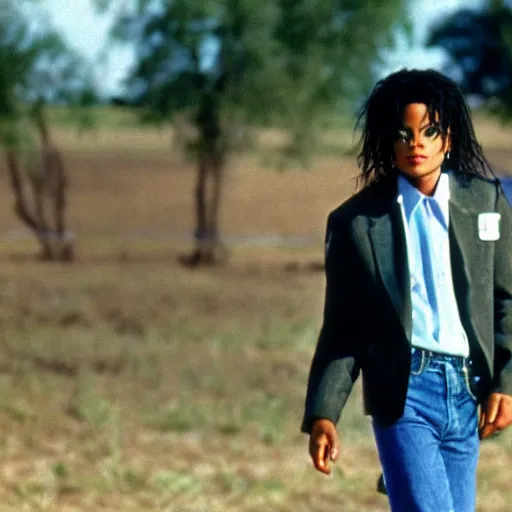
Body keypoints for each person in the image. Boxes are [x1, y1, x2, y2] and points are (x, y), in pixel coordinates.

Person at [301, 68, 512, 512]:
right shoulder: (356, 223)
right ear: (386, 140)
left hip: (467, 395)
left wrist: (506, 383)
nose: (416, 143)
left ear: (447, 138)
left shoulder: (486, 203)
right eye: (403, 133)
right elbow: (343, 328)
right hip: (403, 393)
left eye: (428, 131)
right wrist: (323, 413)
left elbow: (507, 302)